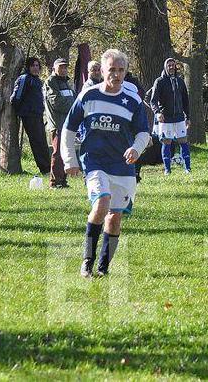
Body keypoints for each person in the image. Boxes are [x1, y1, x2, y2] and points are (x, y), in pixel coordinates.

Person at [60, 49, 151, 277]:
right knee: (102, 203)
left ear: (126, 72)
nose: (116, 75)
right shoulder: (88, 96)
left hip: (122, 166)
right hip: (94, 161)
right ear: (102, 71)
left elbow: (144, 133)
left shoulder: (133, 101)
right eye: (112, 70)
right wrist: (69, 159)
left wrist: (136, 148)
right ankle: (87, 262)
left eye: (121, 70)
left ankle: (103, 268)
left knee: (115, 216)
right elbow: (69, 129)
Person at [8, 57, 52, 181]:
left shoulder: (37, 80)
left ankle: (48, 167)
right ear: (28, 67)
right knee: (37, 142)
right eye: (33, 65)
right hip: (29, 115)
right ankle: (45, 168)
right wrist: (20, 110)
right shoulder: (24, 79)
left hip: (38, 114)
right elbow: (16, 97)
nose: (36, 68)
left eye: (37, 65)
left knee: (42, 142)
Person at [149, 58, 192, 174]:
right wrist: (157, 113)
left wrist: (188, 117)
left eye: (173, 65)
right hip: (165, 118)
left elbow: (185, 101)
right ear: (165, 67)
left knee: (183, 141)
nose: (171, 67)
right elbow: (153, 101)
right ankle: (167, 169)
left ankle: (188, 168)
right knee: (166, 142)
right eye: (169, 66)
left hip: (179, 117)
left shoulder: (180, 81)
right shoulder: (160, 81)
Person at [43, 58, 77, 188]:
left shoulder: (66, 82)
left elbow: (74, 98)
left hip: (67, 123)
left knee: (65, 151)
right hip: (57, 123)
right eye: (61, 67)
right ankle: (54, 182)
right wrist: (74, 106)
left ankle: (62, 180)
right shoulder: (51, 82)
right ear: (54, 68)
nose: (63, 70)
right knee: (57, 153)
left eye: (65, 67)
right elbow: (57, 102)